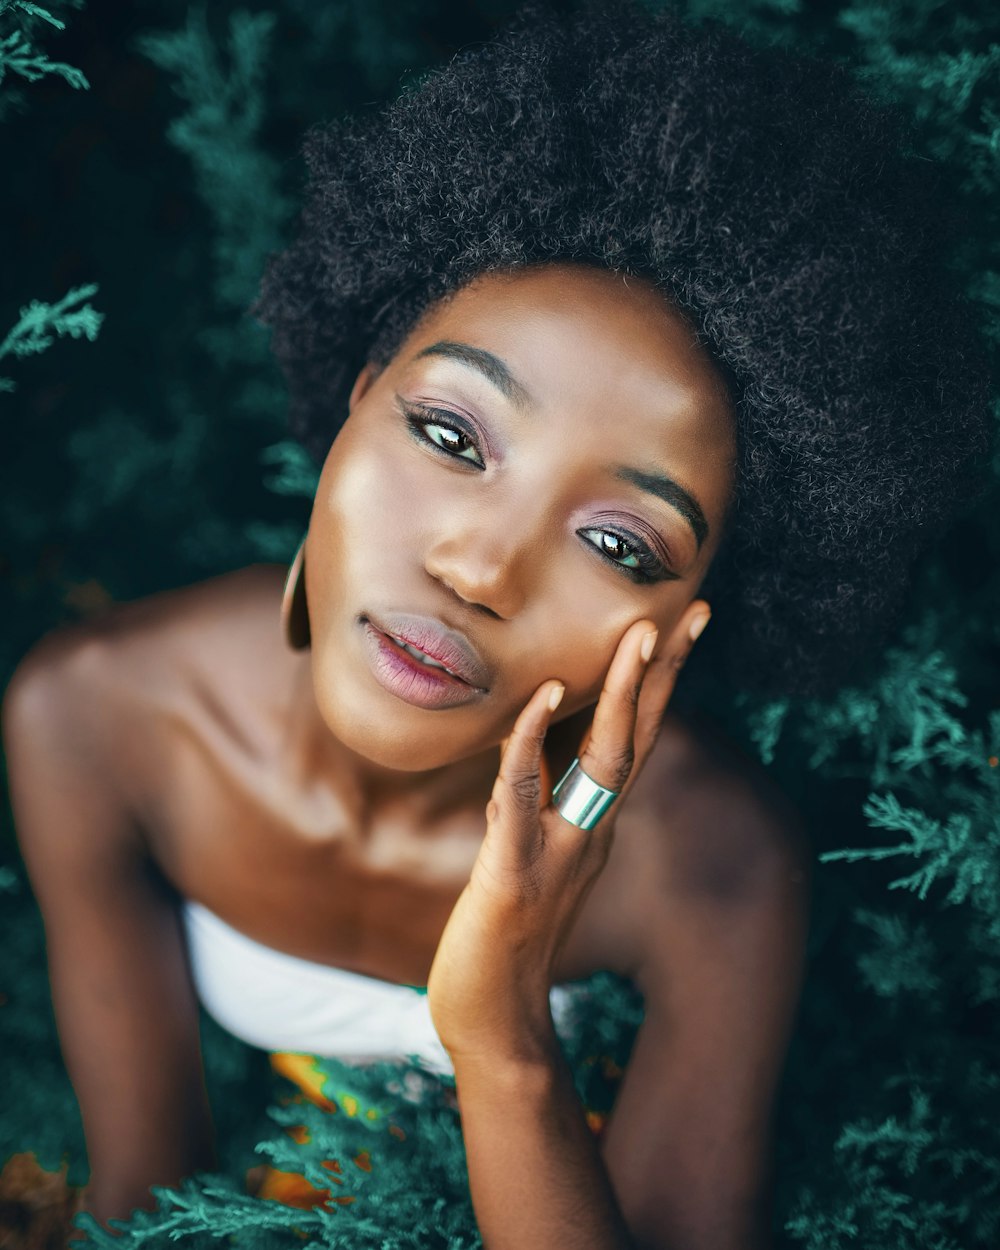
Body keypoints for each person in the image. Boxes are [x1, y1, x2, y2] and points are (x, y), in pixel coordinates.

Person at [1, 2, 989, 1248]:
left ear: (685, 621)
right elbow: (140, 1204)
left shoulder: (709, 870)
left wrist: (506, 1039)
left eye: (622, 543)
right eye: (451, 434)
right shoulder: (91, 713)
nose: (477, 565)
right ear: (356, 400)